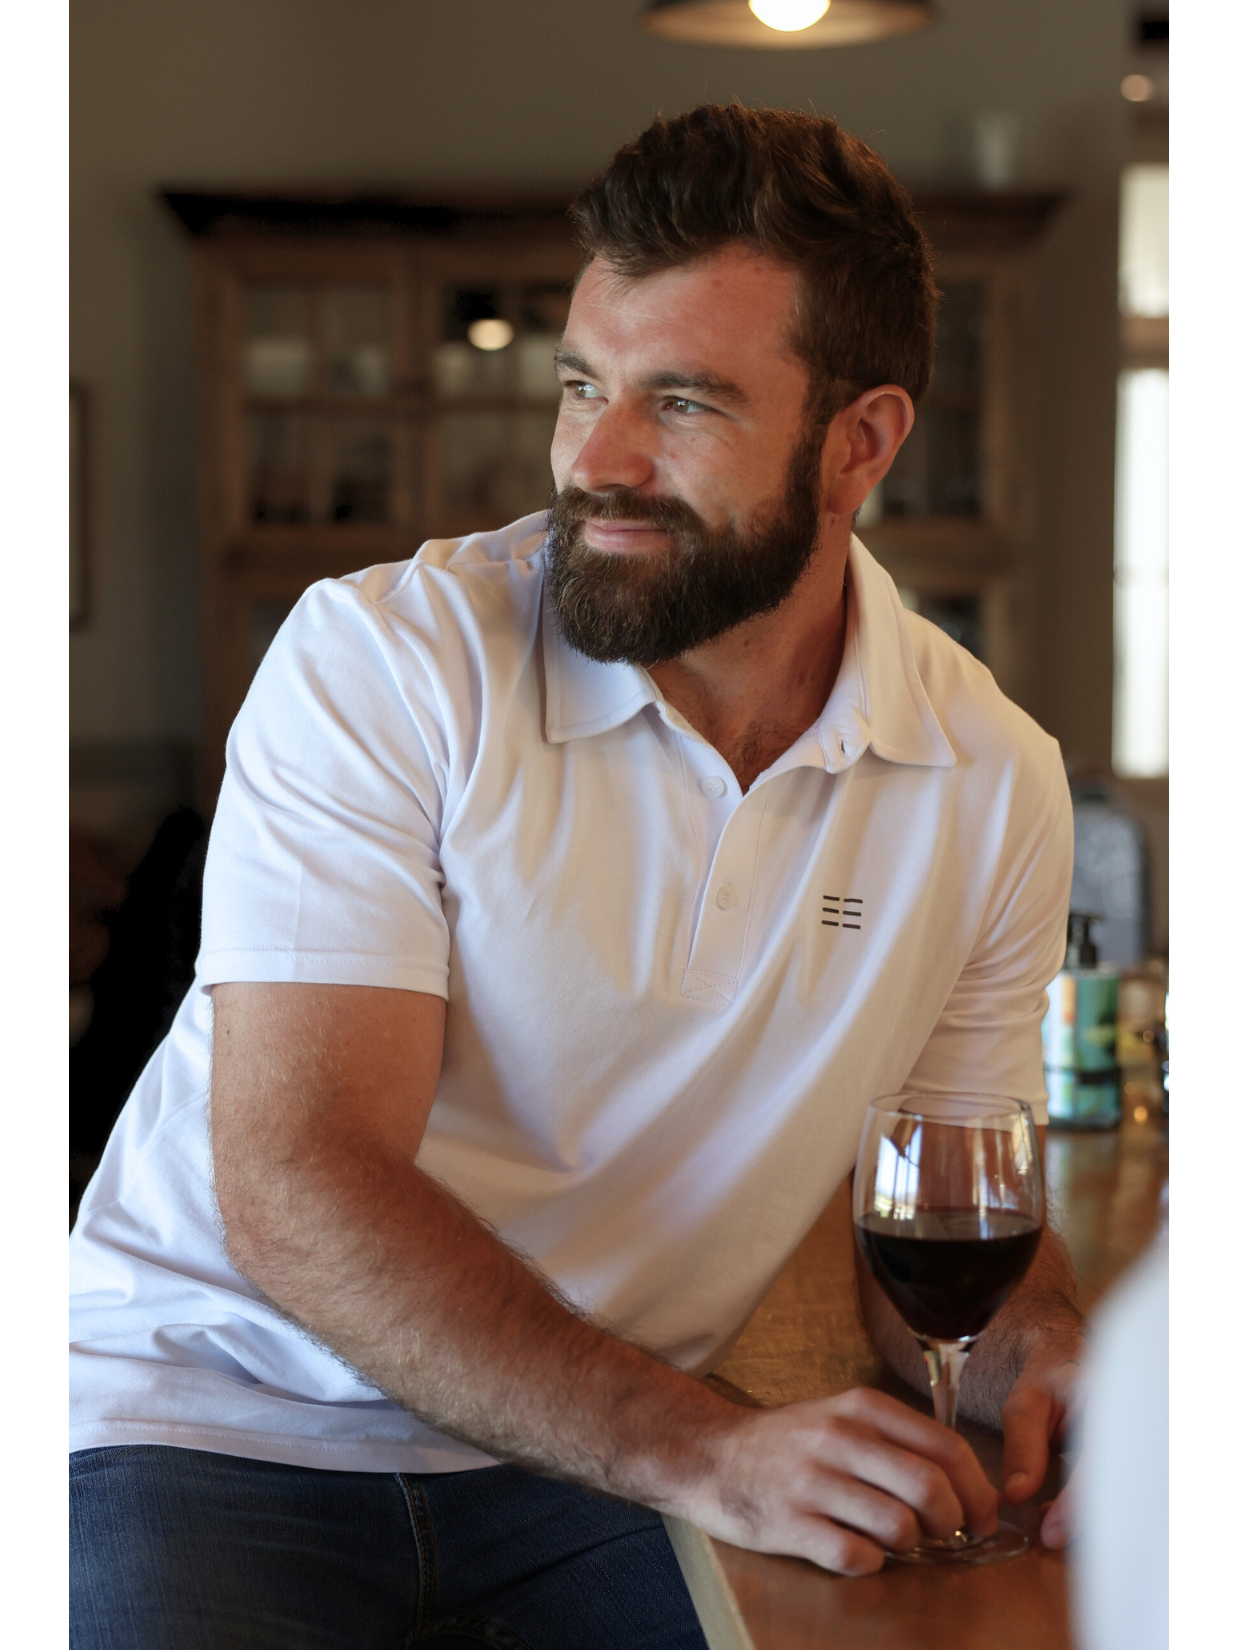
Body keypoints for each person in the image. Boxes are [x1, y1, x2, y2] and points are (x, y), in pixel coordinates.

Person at [70, 104, 1083, 1648]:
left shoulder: (987, 775)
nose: (592, 459)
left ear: (859, 443)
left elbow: (933, 1230)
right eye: (577, 387)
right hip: (215, 1421)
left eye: (678, 400)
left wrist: (1059, 1366)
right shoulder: (384, 660)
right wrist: (703, 1446)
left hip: (586, 1468)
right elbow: (295, 1183)